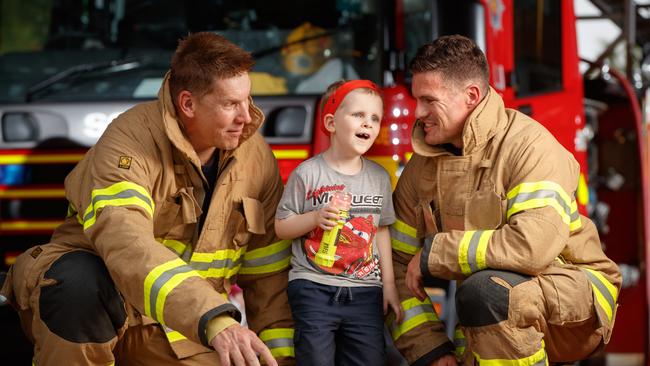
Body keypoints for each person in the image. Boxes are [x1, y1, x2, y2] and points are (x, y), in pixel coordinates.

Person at [0, 32, 294, 366]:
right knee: (76, 282)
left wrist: (282, 359)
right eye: (230, 104)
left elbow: (270, 274)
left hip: (182, 328)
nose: (248, 116)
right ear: (188, 104)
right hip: (105, 312)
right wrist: (214, 319)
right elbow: (127, 243)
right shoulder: (128, 142)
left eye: (248, 99)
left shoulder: (256, 158)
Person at [387, 35, 621, 365]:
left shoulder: (529, 146)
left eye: (428, 100)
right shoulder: (419, 170)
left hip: (574, 298)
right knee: (484, 296)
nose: (417, 112)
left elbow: (531, 248)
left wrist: (434, 253)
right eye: (416, 99)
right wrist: (431, 351)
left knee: (487, 293)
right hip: (492, 311)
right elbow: (395, 266)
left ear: (470, 96)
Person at [274, 79, 403, 365]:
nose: (368, 124)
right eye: (358, 115)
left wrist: (389, 285)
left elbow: (381, 230)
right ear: (331, 123)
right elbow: (282, 226)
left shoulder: (380, 178)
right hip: (313, 286)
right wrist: (315, 217)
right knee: (316, 359)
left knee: (368, 359)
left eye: (375, 118)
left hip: (366, 290)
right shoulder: (307, 174)